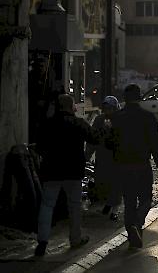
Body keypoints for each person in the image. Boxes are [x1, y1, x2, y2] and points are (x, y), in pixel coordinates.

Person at [108, 84, 158, 250]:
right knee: (146, 198)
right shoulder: (147, 117)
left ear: (124, 98)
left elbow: (110, 142)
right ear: (139, 97)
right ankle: (138, 223)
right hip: (142, 165)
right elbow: (156, 141)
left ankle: (132, 230)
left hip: (123, 166)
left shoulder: (116, 118)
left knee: (129, 200)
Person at [35, 94, 92, 256]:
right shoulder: (78, 123)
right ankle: (75, 239)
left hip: (51, 171)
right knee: (74, 206)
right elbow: (94, 137)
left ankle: (42, 242)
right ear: (71, 106)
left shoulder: (47, 124)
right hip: (74, 172)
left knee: (47, 206)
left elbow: (39, 147)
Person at [86, 96, 121, 220]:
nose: (108, 111)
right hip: (102, 157)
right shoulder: (99, 120)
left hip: (117, 158)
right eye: (106, 108)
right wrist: (88, 154)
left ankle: (114, 209)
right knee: (102, 182)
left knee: (116, 184)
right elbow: (93, 139)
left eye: (110, 108)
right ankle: (108, 203)